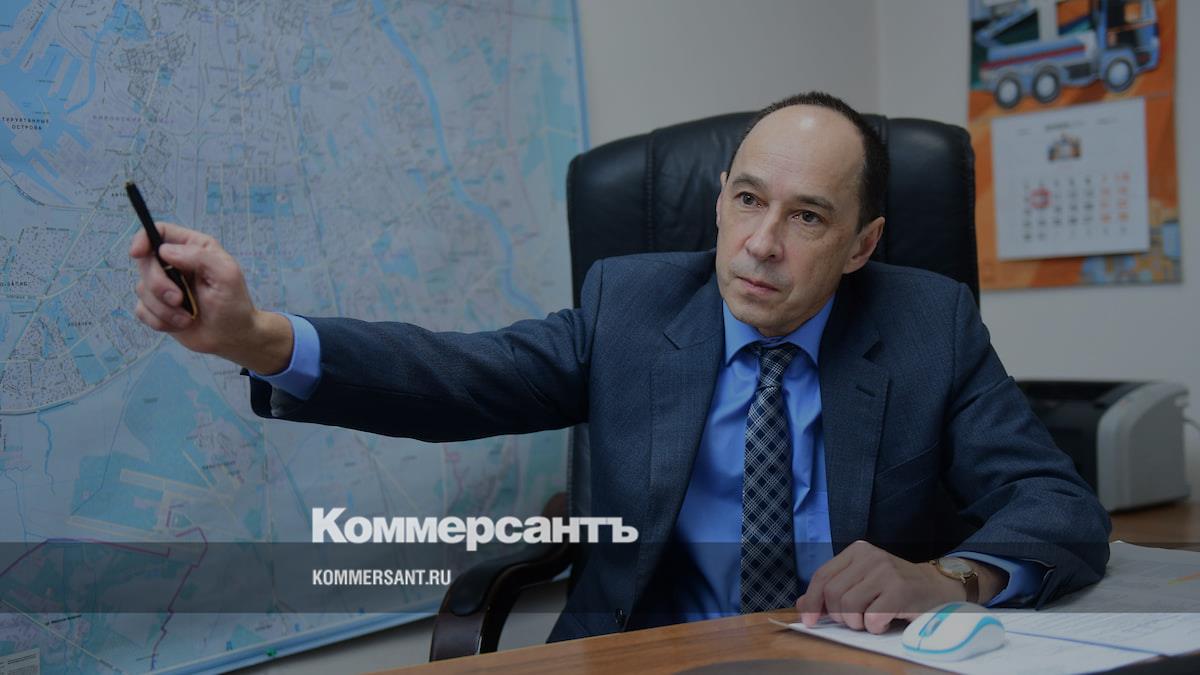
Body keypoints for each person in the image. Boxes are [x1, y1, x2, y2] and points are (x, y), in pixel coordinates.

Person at [130, 91, 1110, 641]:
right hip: (651, 656)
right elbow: (460, 375)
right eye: (747, 200)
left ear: (862, 244)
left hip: (853, 658)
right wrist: (257, 337)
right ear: (718, 201)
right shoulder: (634, 306)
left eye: (807, 216)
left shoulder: (928, 323)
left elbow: (1057, 506)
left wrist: (949, 576)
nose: (761, 243)